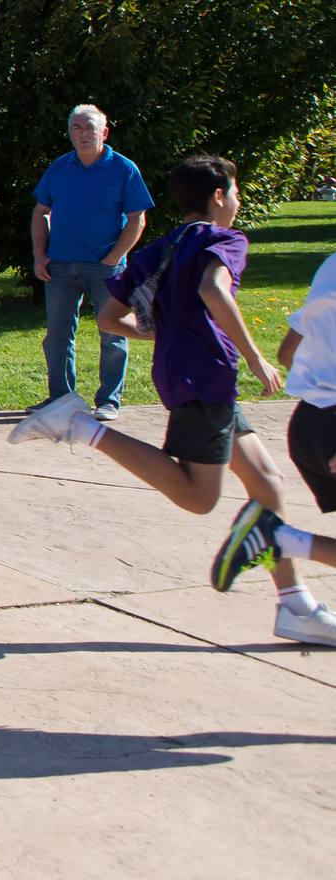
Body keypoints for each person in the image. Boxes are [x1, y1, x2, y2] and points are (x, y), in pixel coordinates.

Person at [21, 156, 336, 648]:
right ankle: (82, 426)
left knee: (267, 485)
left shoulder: (161, 246)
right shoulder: (223, 239)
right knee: (198, 497)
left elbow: (109, 318)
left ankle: (295, 605)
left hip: (187, 371)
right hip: (206, 376)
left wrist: (169, 334)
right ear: (217, 196)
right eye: (233, 193)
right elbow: (214, 289)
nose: (235, 201)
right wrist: (254, 357)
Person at [237, 250, 336, 645]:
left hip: (309, 422)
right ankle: (278, 540)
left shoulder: (330, 265)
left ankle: (281, 547)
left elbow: (287, 352)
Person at [33, 104, 156, 421]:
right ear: (70, 133)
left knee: (113, 333)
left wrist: (114, 257)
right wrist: (39, 255)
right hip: (59, 266)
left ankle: (108, 400)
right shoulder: (60, 167)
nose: (83, 134)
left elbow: (136, 219)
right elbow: (40, 212)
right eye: (76, 128)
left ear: (104, 132)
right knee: (57, 336)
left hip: (106, 268)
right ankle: (61, 398)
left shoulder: (124, 169)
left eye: (90, 128)